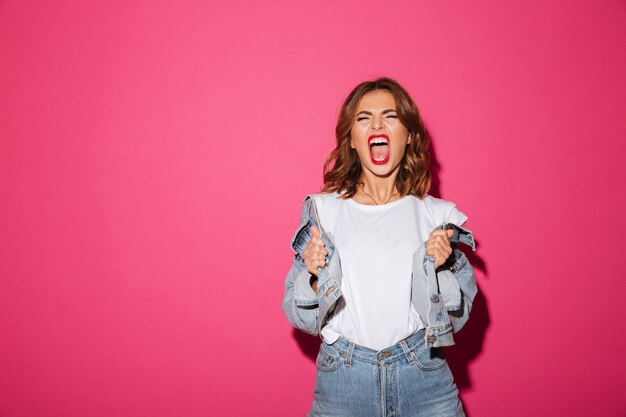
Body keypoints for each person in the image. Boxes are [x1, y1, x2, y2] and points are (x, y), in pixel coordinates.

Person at [282, 77, 477, 417]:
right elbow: (300, 316)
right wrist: (313, 277)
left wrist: (442, 268)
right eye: (363, 118)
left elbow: (457, 320)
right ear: (353, 140)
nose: (376, 124)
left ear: (408, 135)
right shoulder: (323, 211)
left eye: (390, 116)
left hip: (423, 377)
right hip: (344, 380)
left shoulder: (438, 216)